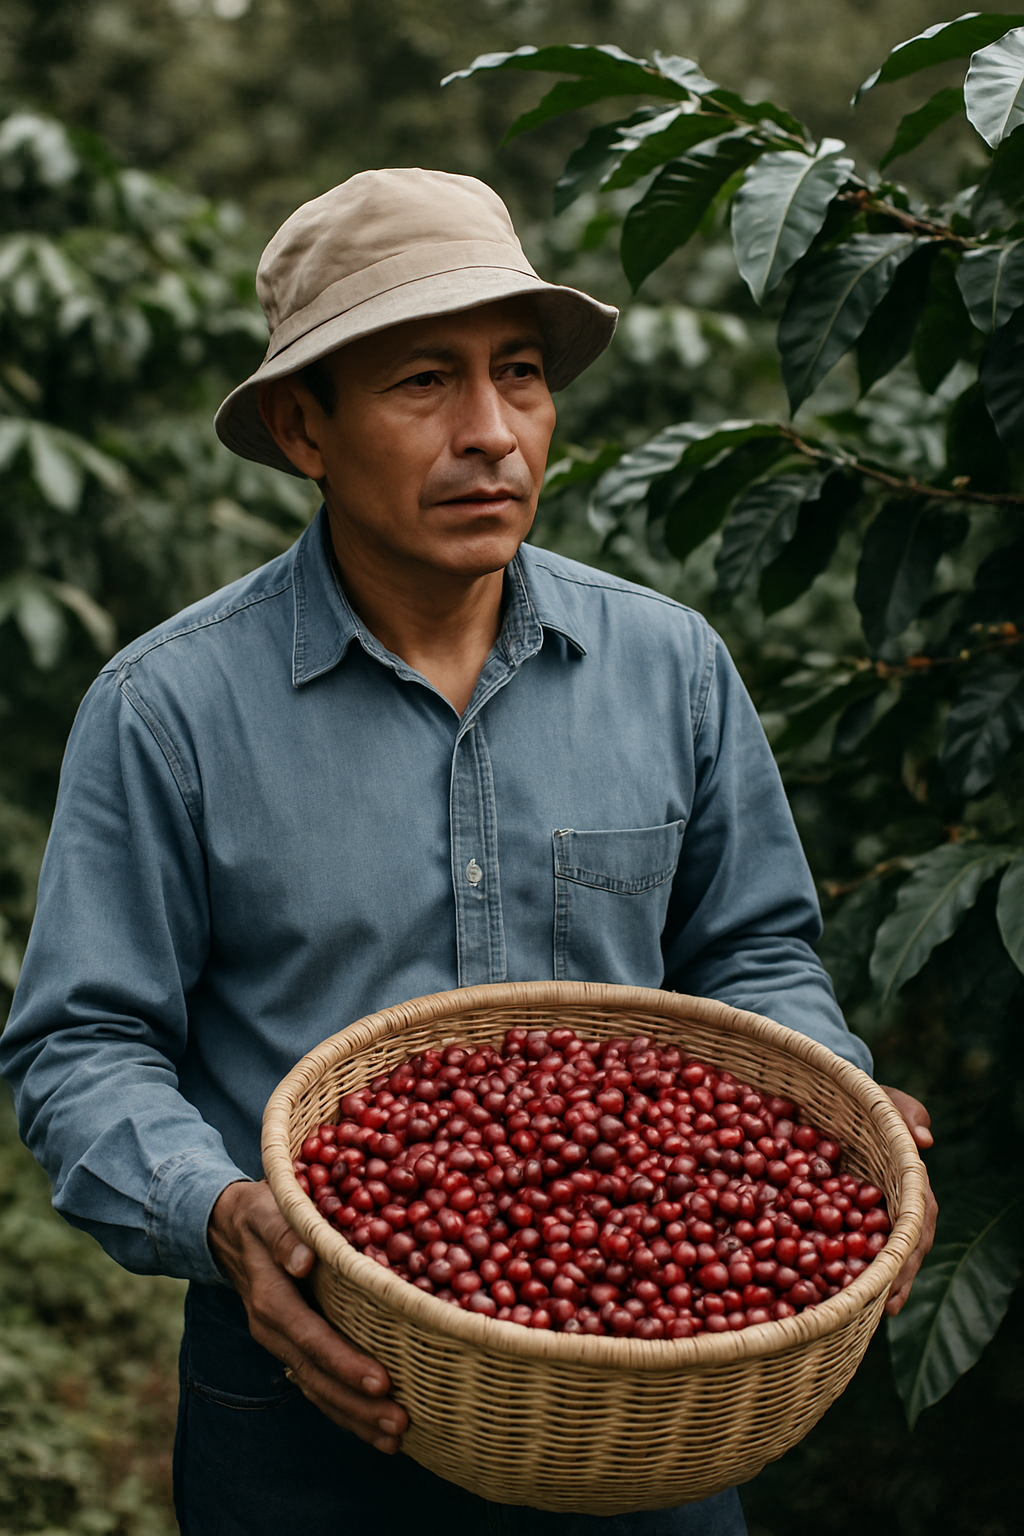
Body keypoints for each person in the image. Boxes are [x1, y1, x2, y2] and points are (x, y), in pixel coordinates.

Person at [0, 169, 936, 1536]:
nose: (491, 435)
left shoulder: (667, 666)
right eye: (423, 384)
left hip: (642, 1406)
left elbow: (752, 953)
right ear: (302, 426)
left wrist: (826, 1096)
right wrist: (222, 1213)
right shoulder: (171, 711)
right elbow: (80, 1044)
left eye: (521, 378)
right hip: (310, 1391)